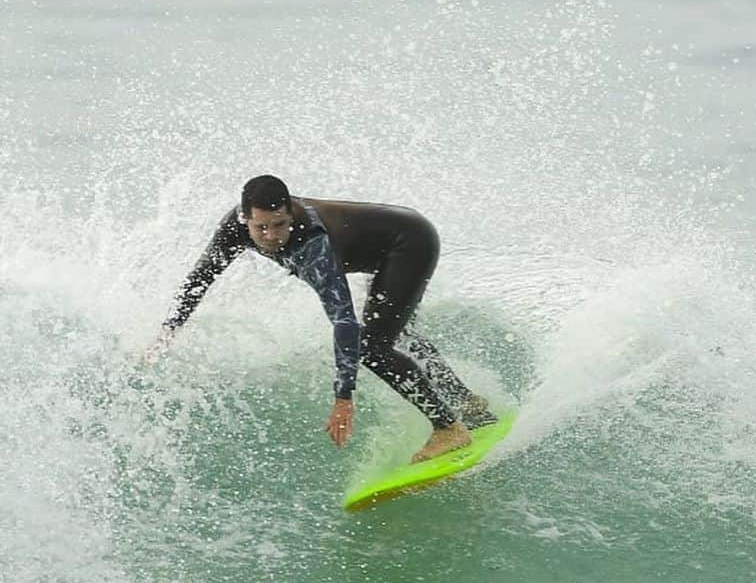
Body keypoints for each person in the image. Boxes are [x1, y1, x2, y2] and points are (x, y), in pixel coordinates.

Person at [147, 175, 495, 462]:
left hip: (409, 243)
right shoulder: (234, 228)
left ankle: (448, 428)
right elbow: (201, 277)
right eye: (261, 228)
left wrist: (344, 397)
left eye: (280, 225)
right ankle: (465, 400)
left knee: (372, 346)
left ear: (290, 215)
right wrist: (169, 331)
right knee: (390, 332)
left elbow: (344, 321)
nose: (271, 237)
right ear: (245, 219)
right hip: (391, 240)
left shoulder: (312, 243)